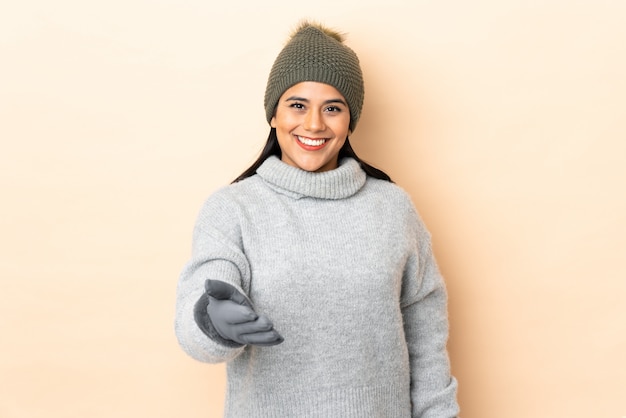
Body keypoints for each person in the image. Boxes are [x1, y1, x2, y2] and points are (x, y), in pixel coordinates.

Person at [175, 20, 459, 417]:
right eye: (297, 105)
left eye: (332, 108)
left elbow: (426, 338)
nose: (313, 124)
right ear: (273, 114)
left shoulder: (393, 209)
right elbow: (195, 320)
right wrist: (210, 318)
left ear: (350, 119)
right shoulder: (233, 209)